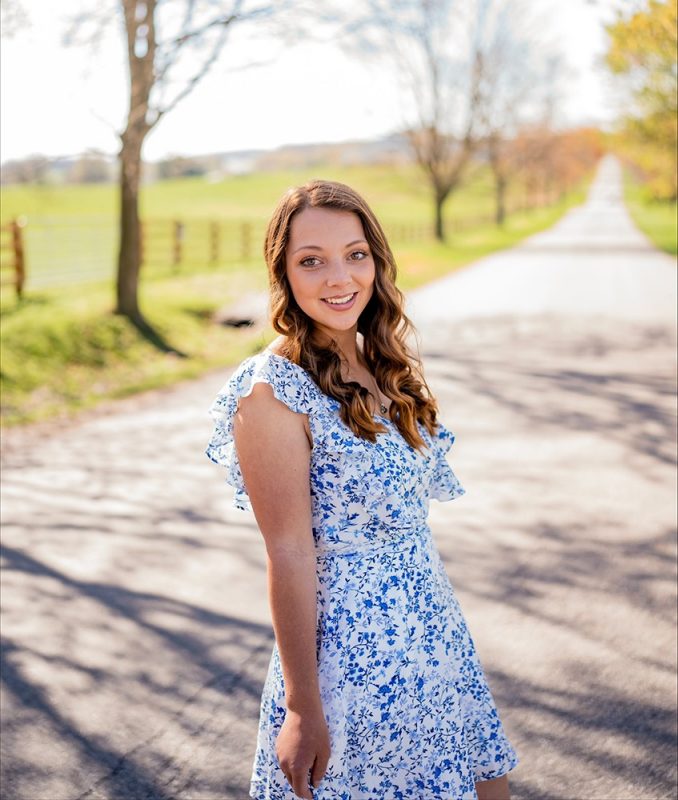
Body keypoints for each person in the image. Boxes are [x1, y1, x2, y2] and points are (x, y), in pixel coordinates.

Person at [205, 180, 519, 800]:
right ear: (283, 273)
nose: (338, 277)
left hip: (431, 631)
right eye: (311, 260)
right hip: (351, 660)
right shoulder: (269, 393)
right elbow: (289, 553)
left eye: (355, 254)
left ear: (376, 260)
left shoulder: (378, 360)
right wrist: (302, 707)